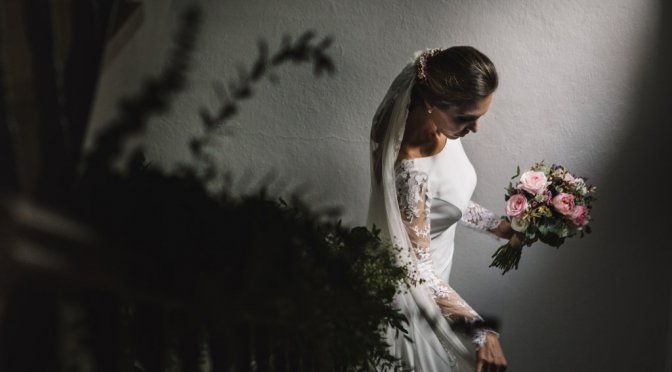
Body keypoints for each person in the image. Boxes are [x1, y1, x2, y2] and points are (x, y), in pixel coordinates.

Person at [368, 46, 520, 371]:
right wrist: (480, 329)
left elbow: (449, 198)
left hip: (437, 278)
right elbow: (417, 272)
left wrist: (500, 227)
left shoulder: (444, 127)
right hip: (415, 296)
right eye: (466, 118)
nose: (474, 128)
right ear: (432, 102)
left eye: (479, 116)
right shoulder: (409, 170)